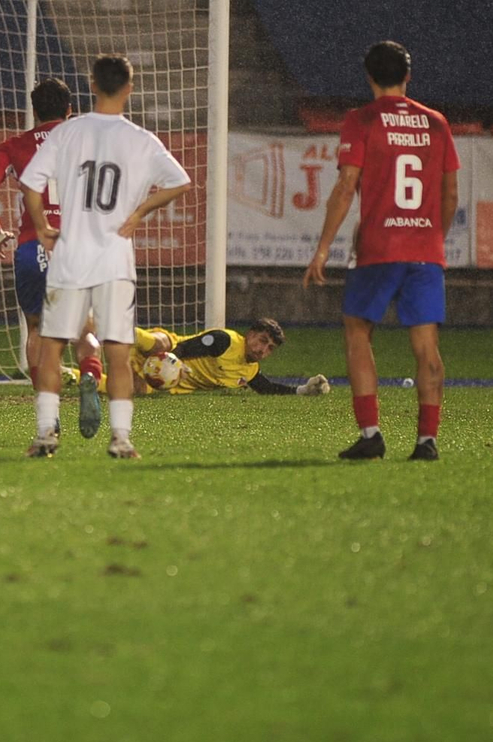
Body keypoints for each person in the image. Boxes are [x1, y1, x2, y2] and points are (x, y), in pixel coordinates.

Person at [19, 53, 192, 459]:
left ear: (92, 85)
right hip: (115, 258)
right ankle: (121, 438)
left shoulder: (68, 132)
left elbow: (30, 183)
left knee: (51, 346)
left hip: (70, 254)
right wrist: (140, 212)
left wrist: (41, 226)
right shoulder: (141, 139)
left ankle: (46, 434)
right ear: (129, 89)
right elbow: (180, 182)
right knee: (115, 350)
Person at [302, 41, 460, 461]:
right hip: (424, 250)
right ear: (408, 76)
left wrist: (323, 248)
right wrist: (432, 238)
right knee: (426, 344)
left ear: (369, 76)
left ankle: (371, 433)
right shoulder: (436, 123)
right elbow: (450, 194)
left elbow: (345, 186)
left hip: (378, 247)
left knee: (358, 331)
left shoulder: (362, 120)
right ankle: (427, 441)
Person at [0, 78, 73, 383]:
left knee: (37, 327)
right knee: (86, 326)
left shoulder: (14, 146)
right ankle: (91, 374)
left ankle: (45, 402)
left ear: (35, 111)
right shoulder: (86, 142)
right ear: (70, 110)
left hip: (33, 246)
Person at [84, 318, 331, 397]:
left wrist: (303, 390)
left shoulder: (249, 370)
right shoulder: (225, 341)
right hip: (166, 353)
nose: (262, 349)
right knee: (161, 342)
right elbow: (184, 348)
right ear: (250, 334)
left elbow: (267, 388)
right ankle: (102, 325)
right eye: (262, 340)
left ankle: (75, 376)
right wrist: (171, 363)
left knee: (134, 389)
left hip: (165, 380)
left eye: (270, 348)